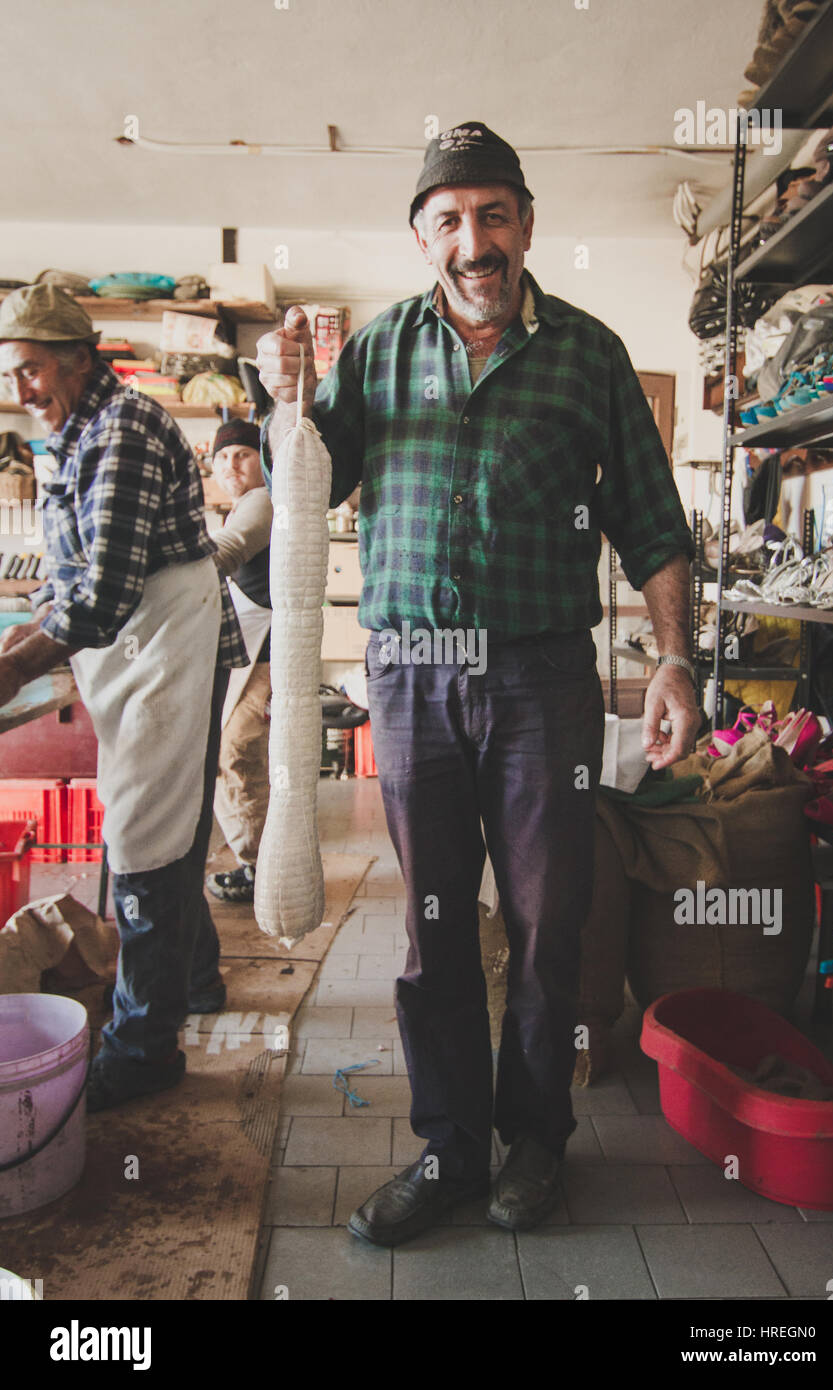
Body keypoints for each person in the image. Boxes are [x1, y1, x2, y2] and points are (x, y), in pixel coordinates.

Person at [255, 122, 702, 1245]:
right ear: (421, 239)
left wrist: (677, 660)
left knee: (551, 924)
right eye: (449, 219)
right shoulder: (378, 352)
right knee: (434, 928)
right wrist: (288, 398)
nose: (474, 241)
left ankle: (535, 1141)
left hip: (543, 680)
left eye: (492, 215)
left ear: (527, 225)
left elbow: (652, 526)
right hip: (410, 680)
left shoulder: (589, 355)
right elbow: (311, 484)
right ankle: (451, 1146)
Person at [0, 284, 247, 1111]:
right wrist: (22, 633)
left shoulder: (127, 427)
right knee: (161, 822)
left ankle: (144, 1049)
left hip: (164, 642)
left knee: (145, 833)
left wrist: (14, 670)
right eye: (13, 373)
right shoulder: (64, 435)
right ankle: (196, 982)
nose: (21, 388)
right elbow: (69, 574)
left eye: (31, 369)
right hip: (129, 650)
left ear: (77, 357)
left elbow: (104, 592)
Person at [206, 418, 273, 904]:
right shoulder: (236, 508)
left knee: (238, 753)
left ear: (261, 459)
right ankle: (257, 859)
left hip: (266, 655)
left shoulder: (261, 502)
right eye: (223, 457)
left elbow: (229, 552)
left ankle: (259, 866)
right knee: (231, 756)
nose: (232, 464)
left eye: (242, 454)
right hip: (244, 653)